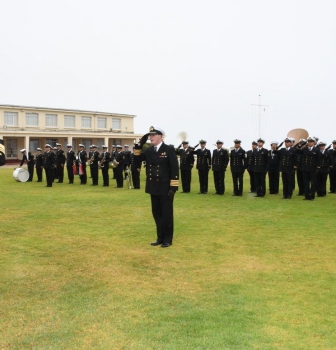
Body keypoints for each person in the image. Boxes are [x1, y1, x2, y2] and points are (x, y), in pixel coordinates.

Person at [134, 126, 179, 248]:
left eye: (153, 135)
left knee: (167, 214)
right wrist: (139, 144)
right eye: (150, 135)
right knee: (157, 213)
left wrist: (173, 188)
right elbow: (136, 158)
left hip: (165, 188)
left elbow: (174, 168)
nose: (151, 137)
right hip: (153, 187)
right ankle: (160, 237)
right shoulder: (149, 150)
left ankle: (167, 239)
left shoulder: (168, 149)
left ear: (161, 136)